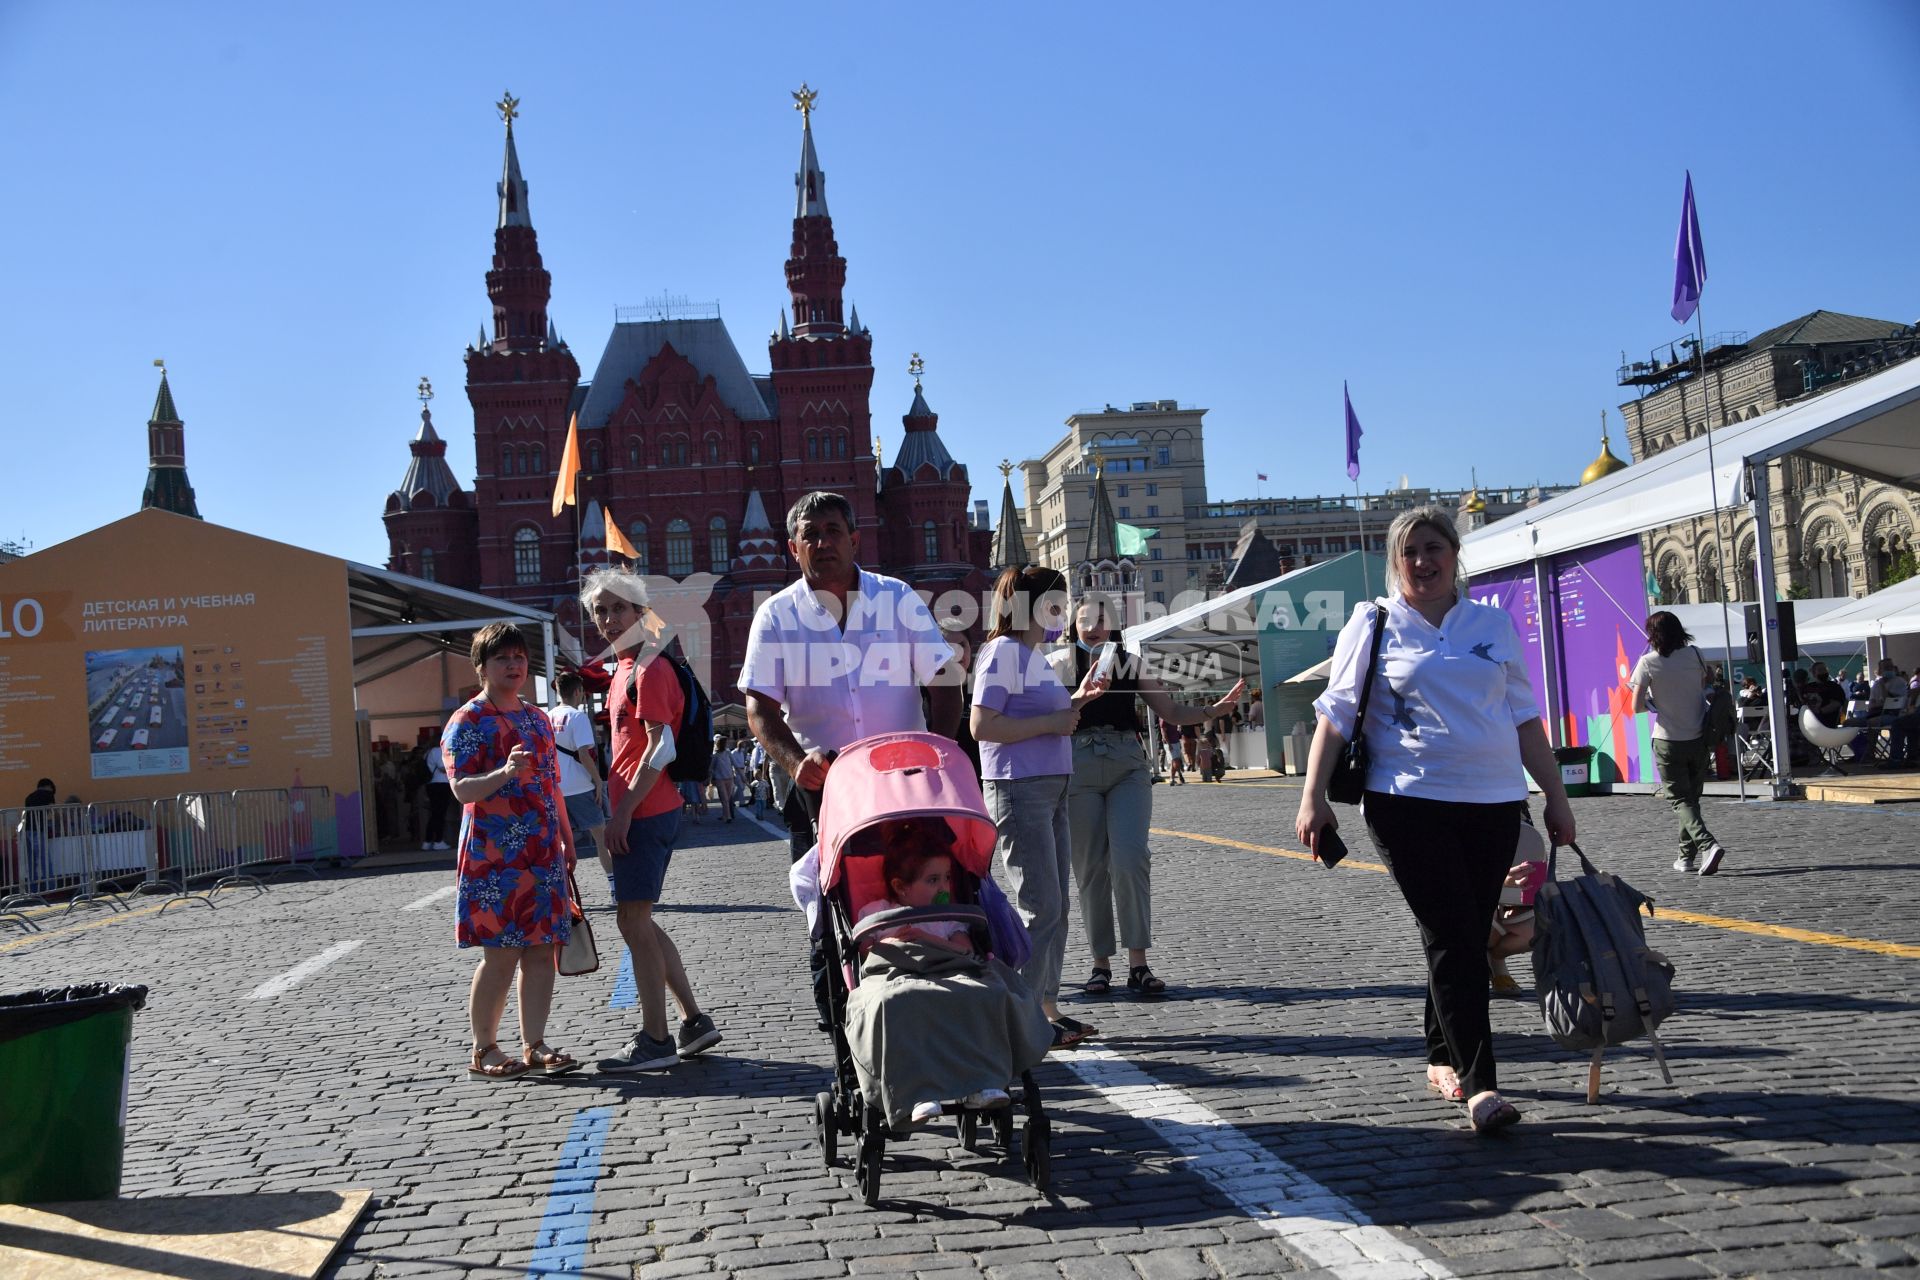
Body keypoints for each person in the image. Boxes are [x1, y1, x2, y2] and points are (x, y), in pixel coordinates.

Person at [1294, 506, 1575, 1136]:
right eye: (1410, 552)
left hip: (1495, 801)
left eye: (1434, 547)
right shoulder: (1373, 624)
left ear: (1455, 553)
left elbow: (1525, 718)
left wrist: (1556, 798)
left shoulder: (1493, 625)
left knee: (1467, 931)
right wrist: (1312, 795)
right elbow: (1335, 715)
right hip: (1406, 801)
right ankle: (1482, 1087)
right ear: (1396, 563)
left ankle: (1442, 1052)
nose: (1423, 561)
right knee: (1451, 930)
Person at [742, 491, 960, 1022]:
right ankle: (847, 1035)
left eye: (833, 531)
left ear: (855, 539)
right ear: (793, 548)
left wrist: (939, 754)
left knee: (924, 902)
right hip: (823, 793)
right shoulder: (775, 616)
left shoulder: (898, 598)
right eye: (810, 535)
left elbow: (946, 682)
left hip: (906, 788)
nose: (823, 542)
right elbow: (760, 709)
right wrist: (797, 765)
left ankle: (942, 1012)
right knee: (831, 919)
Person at [1062, 591, 1244, 999]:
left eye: (1101, 618)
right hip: (1079, 765)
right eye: (1084, 618)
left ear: (1112, 623)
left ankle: (1138, 964)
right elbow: (1049, 716)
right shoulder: (1057, 664)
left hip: (1128, 761)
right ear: (1073, 624)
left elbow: (1173, 714)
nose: (1093, 626)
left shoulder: (1130, 662)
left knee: (1131, 859)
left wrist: (1214, 709)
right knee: (1090, 867)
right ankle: (1099, 964)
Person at [582, 567, 722, 1073]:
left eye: (618, 608)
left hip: (645, 810)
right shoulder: (624, 666)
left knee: (632, 920)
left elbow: (660, 748)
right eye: (599, 610)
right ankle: (692, 1020)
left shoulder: (648, 667)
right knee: (639, 921)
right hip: (641, 809)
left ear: (640, 611)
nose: (608, 618)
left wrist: (622, 812)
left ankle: (655, 1040)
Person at [971, 565, 1108, 1048]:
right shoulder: (1004, 652)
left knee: (1055, 907)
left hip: (1047, 786)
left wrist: (1078, 700)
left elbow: (1041, 717)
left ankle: (1045, 1008)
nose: (1064, 611)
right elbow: (983, 725)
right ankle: (1022, 1018)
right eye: (1058, 602)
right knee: (1040, 906)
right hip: (1019, 787)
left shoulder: (1032, 655)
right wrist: (1055, 720)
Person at [842, 819, 1052, 1128]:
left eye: (947, 878)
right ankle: (916, 1091)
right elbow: (868, 953)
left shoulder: (949, 915)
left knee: (987, 992)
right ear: (901, 886)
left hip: (949, 969)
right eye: (933, 880)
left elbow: (964, 948)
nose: (943, 887)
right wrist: (897, 940)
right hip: (898, 974)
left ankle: (984, 1081)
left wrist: (926, 939)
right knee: (896, 1001)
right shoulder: (876, 913)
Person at [443, 623, 580, 1081]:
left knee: (541, 951)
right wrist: (503, 772)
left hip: (541, 851)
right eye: (503, 659)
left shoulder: (538, 719)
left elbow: (552, 784)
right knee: (500, 954)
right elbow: (462, 789)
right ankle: (484, 1048)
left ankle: (535, 1044)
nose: (514, 666)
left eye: (520, 658)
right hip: (493, 855)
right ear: (482, 667)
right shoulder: (468, 719)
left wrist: (566, 835)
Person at [1631, 612, 1727, 876]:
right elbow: (1704, 684)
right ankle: (1685, 858)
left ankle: (1708, 844)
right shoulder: (1695, 654)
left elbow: (1636, 706)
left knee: (1680, 800)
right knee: (1691, 800)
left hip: (1667, 740)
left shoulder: (1647, 662)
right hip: (1699, 737)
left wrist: (1654, 701)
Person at [548, 672, 608, 873]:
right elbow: (584, 754)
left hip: (556, 788)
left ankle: (566, 889)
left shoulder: (547, 717)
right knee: (601, 838)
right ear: (577, 692)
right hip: (581, 786)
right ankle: (614, 887)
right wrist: (598, 781)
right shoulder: (578, 716)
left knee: (564, 842)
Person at [19, 777, 57, 895]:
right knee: (45, 859)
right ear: (49, 786)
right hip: (38, 830)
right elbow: (53, 812)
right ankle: (51, 888)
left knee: (31, 861)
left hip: (26, 830)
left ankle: (33, 889)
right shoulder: (48, 794)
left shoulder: (29, 797)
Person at [424, 734, 454, 851]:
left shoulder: (428, 752)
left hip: (432, 785)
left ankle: (427, 841)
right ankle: (438, 841)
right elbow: (443, 767)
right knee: (440, 814)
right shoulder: (437, 751)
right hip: (441, 784)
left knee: (434, 814)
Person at [709, 734, 737, 823]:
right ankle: (728, 817)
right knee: (725, 799)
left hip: (729, 778)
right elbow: (711, 768)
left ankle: (725, 815)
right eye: (726, 743)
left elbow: (735, 764)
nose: (728, 744)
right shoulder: (715, 754)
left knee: (727, 799)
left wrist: (742, 775)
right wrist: (710, 779)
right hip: (719, 779)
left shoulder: (728, 752)